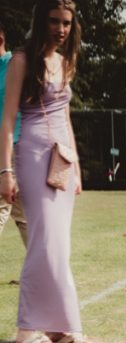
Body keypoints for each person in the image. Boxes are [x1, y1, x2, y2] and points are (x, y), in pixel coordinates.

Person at [0, 0, 85, 343]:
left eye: (66, 22)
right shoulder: (21, 60)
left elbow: (66, 119)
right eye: (53, 21)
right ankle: (26, 329)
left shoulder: (65, 62)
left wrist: (76, 167)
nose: (60, 29)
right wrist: (6, 171)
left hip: (61, 158)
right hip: (31, 154)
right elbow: (6, 121)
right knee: (43, 241)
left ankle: (57, 325)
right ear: (41, 20)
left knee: (58, 244)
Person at [0, 20, 28, 249]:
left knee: (2, 206)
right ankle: (42, 270)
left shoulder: (14, 65)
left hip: (14, 145)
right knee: (23, 215)